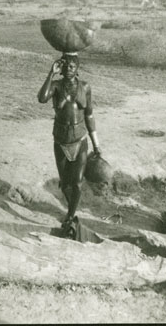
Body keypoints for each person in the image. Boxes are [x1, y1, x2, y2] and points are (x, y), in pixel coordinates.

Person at [38, 53, 101, 235]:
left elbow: (89, 115)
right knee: (65, 184)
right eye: (64, 67)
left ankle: (71, 216)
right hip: (60, 141)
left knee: (77, 183)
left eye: (71, 67)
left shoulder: (85, 87)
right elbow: (42, 98)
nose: (68, 70)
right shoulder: (56, 87)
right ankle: (72, 213)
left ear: (77, 68)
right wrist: (51, 73)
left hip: (80, 140)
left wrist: (96, 145)